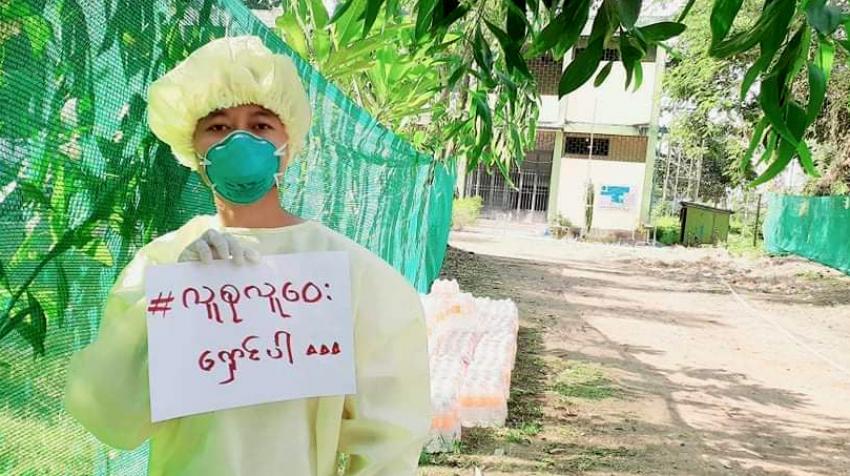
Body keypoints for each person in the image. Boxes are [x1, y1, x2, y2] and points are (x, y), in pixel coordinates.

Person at [64, 36, 431, 476]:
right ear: (193, 151)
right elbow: (112, 415)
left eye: (260, 126)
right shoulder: (163, 262)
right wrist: (165, 307)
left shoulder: (349, 274)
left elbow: (388, 440)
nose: (239, 141)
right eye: (217, 127)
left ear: (288, 145)